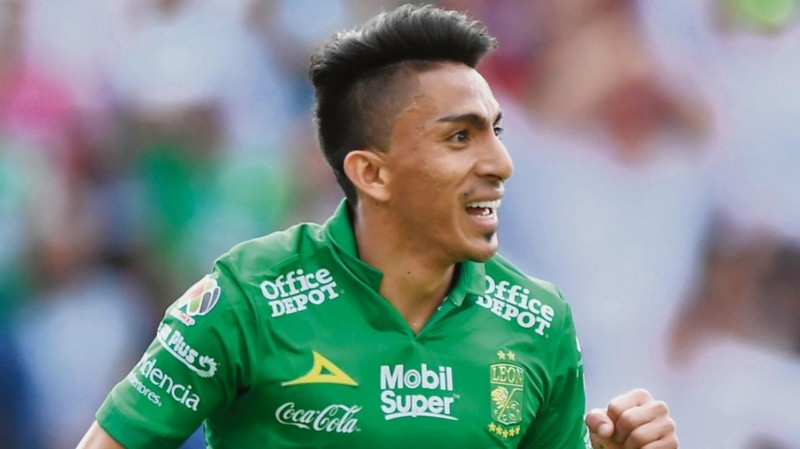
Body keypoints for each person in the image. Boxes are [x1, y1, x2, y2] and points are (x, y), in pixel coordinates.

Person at [78, 4, 677, 448]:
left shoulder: (539, 321)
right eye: (460, 137)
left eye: (496, 132)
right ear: (372, 173)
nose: (499, 163)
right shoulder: (246, 298)